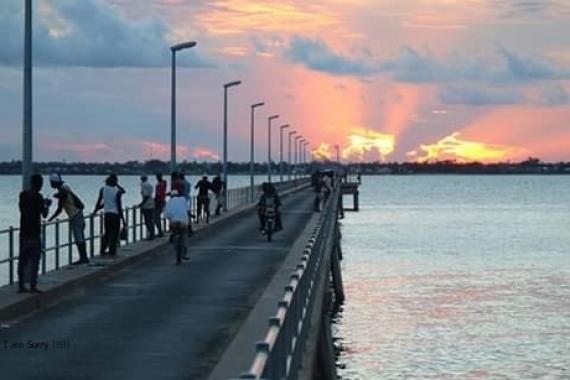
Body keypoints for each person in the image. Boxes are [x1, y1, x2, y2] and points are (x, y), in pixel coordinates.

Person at [18, 174, 51, 293]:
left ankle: (21, 286)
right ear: (40, 184)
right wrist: (47, 205)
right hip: (35, 233)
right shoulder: (39, 197)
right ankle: (33, 285)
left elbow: (22, 209)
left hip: (24, 232)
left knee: (22, 260)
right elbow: (45, 214)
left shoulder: (23, 195)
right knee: (35, 260)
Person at [47, 174, 89, 265]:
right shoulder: (65, 188)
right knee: (80, 237)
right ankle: (84, 257)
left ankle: (83, 258)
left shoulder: (63, 190)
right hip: (78, 214)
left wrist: (50, 218)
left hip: (75, 216)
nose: (50, 184)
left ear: (54, 182)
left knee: (79, 238)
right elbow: (60, 206)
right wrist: (52, 217)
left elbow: (59, 207)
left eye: (51, 182)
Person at [93, 174, 126, 256]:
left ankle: (103, 249)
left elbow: (99, 202)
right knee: (115, 233)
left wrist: (95, 211)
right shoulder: (117, 191)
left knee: (107, 232)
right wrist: (123, 219)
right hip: (115, 214)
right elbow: (119, 205)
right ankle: (112, 250)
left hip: (107, 214)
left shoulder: (103, 189)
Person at [164, 190, 189, 264]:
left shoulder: (169, 202)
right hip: (183, 223)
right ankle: (184, 253)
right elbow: (187, 210)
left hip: (174, 223)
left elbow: (166, 215)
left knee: (174, 234)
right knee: (184, 236)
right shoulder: (183, 199)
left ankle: (173, 236)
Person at [138, 175, 155, 241]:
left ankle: (151, 235)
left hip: (147, 206)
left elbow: (146, 196)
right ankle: (152, 234)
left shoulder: (143, 185)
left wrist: (141, 204)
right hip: (152, 204)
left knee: (147, 221)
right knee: (150, 220)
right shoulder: (150, 185)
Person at [179, 172, 194, 236]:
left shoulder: (180, 183)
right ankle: (189, 229)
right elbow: (188, 191)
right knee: (187, 215)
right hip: (187, 200)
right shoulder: (188, 183)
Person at [154, 172, 167, 238]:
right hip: (163, 201)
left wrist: (154, 201)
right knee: (157, 217)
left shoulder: (158, 185)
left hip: (158, 202)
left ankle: (160, 231)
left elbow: (157, 195)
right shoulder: (164, 183)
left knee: (156, 218)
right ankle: (160, 231)